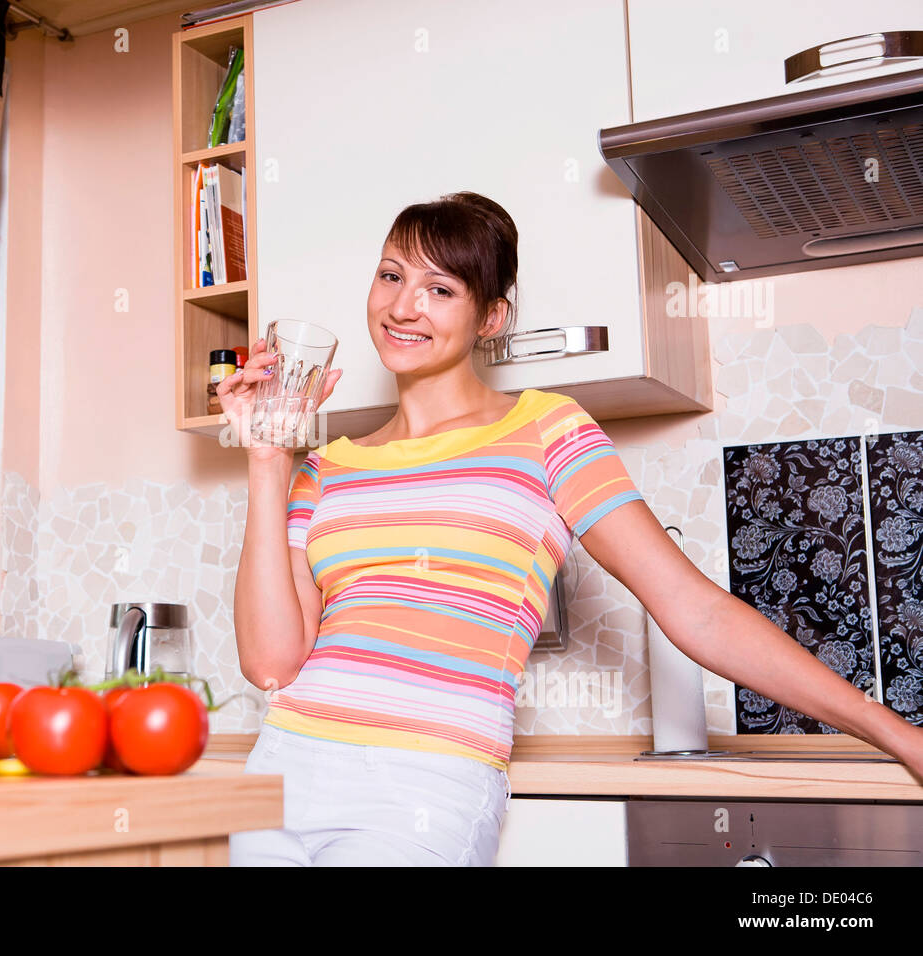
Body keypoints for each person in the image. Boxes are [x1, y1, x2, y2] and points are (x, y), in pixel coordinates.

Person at [218, 191, 923, 867]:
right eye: (391, 275)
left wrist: (896, 734)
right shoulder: (329, 466)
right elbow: (273, 665)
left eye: (441, 289)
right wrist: (267, 459)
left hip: (425, 783)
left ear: (491, 317)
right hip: (286, 765)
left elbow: (695, 608)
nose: (403, 306)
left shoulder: (546, 430)